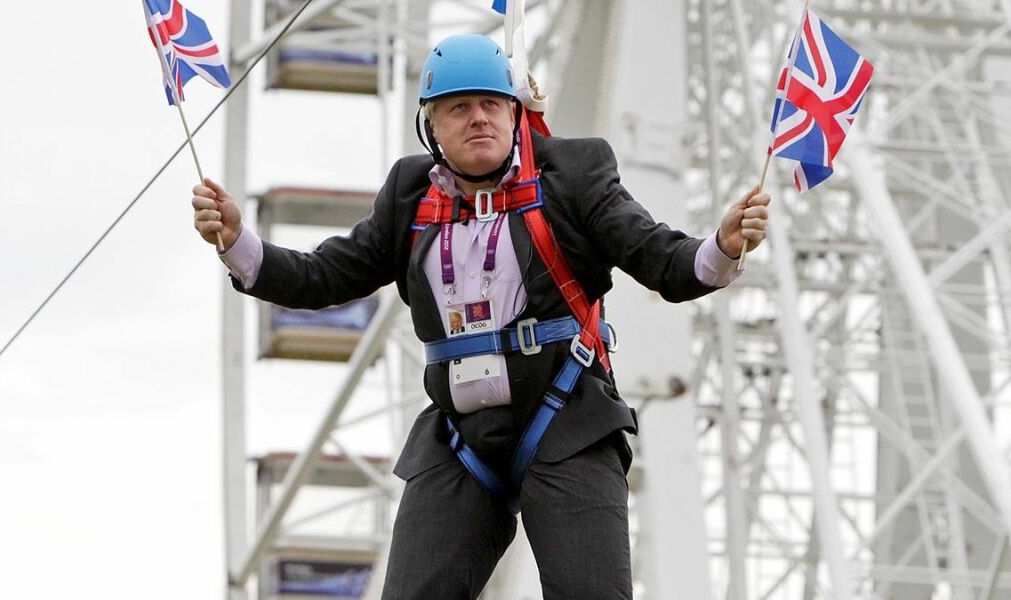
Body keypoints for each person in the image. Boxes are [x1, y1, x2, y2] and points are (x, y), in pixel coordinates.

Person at [192, 34, 769, 600]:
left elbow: (661, 260)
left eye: (492, 104)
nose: (479, 119)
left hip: (566, 422)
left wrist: (721, 245)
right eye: (460, 108)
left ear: (515, 114)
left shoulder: (573, 174)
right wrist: (239, 242)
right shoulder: (409, 198)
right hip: (460, 435)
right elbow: (323, 276)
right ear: (431, 126)